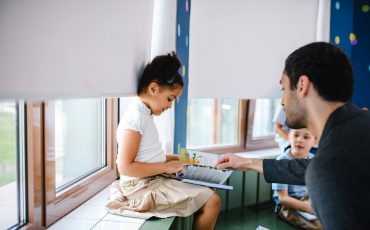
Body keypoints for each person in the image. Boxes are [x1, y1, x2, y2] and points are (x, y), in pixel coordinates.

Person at [216, 42, 370, 229]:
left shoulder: (329, 166)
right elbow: (308, 167)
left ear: (302, 85)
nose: (282, 102)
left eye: (284, 89)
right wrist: (249, 163)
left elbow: (323, 169)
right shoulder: (356, 129)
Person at [105, 52, 220, 230]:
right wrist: (167, 167)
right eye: (170, 99)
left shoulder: (144, 114)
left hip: (150, 181)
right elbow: (125, 167)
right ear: (153, 88)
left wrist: (178, 159)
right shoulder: (136, 118)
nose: (170, 106)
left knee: (209, 191)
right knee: (212, 201)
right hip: (140, 188)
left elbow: (149, 156)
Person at [272, 128, 322, 230]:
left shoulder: (314, 160)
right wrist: (310, 209)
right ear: (289, 137)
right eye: (296, 135)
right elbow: (283, 199)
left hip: (310, 200)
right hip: (289, 205)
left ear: (315, 142)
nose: (299, 140)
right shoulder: (281, 162)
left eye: (306, 137)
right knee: (320, 226)